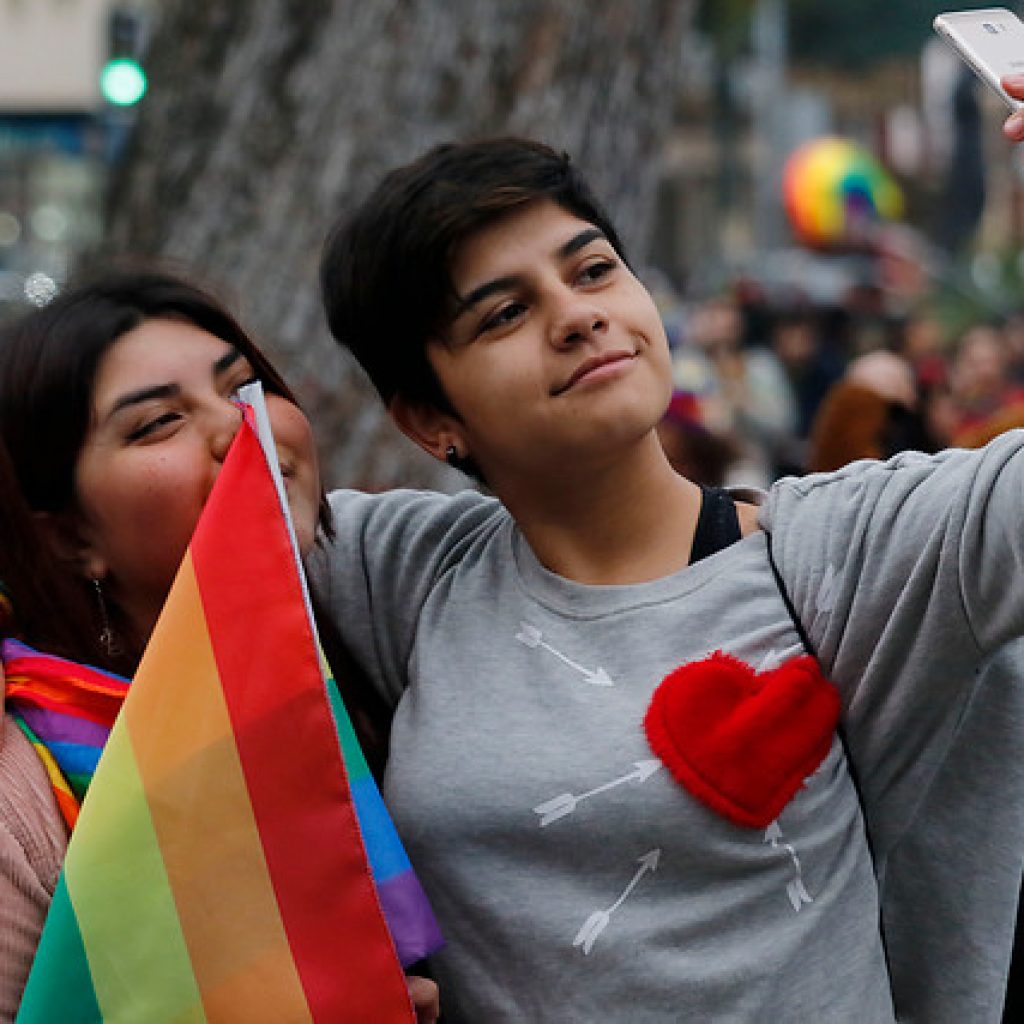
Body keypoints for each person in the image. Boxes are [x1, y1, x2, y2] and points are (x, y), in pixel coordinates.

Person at [311, 136, 1024, 1022]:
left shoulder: (846, 552)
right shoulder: (408, 572)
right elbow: (203, 493)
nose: (576, 315)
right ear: (428, 418)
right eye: (503, 315)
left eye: (594, 269)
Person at [0, 271, 439, 1023]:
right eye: (157, 424)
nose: (241, 429)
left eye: (245, 388)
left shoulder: (388, 621)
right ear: (72, 538)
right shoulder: (27, 800)